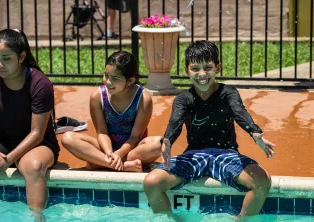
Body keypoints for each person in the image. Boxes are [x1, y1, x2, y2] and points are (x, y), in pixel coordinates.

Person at [143, 40, 276, 218]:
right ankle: (172, 219)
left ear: (218, 67)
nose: (202, 74)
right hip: (194, 155)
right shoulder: (184, 99)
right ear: (186, 70)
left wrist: (254, 132)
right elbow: (175, 121)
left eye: (208, 67)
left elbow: (239, 112)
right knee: (151, 182)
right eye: (195, 68)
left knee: (262, 181)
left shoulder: (228, 93)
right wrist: (167, 141)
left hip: (225, 154)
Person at [0, 29, 60, 212]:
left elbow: (37, 133)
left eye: (6, 58)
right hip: (2, 142)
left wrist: (8, 160)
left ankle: (37, 217)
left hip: (38, 145)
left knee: (33, 167)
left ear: (21, 57)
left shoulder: (40, 84)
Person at [61, 50, 161, 172]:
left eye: (115, 78)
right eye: (106, 75)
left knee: (159, 144)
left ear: (130, 81)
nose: (108, 82)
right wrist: (109, 153)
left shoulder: (143, 99)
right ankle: (122, 166)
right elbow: (102, 133)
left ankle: (100, 162)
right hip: (105, 149)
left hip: (133, 150)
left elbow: (135, 136)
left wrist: (119, 154)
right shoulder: (97, 97)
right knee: (68, 138)